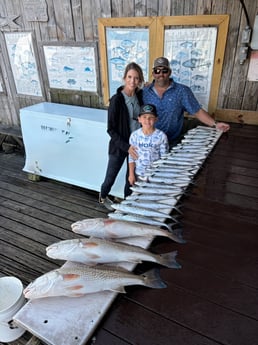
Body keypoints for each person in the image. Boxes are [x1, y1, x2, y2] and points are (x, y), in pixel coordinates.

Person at [143, 56, 230, 147]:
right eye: (157, 71)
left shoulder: (182, 91)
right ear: (153, 73)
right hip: (148, 142)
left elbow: (197, 111)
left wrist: (215, 124)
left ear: (169, 72)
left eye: (164, 70)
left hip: (174, 142)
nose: (161, 74)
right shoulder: (144, 91)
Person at [99, 62, 144, 210]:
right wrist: (126, 146)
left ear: (140, 80)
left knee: (130, 179)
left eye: (136, 78)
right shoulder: (116, 100)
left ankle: (126, 205)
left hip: (136, 146)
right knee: (110, 177)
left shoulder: (140, 95)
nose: (133, 81)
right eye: (130, 77)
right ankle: (103, 197)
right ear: (124, 78)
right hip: (120, 146)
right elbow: (110, 129)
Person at [128, 104, 168, 186]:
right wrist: (131, 174)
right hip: (139, 174)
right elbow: (131, 157)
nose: (147, 120)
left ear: (156, 119)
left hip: (156, 175)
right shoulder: (134, 135)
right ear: (139, 119)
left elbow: (164, 158)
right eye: (144, 117)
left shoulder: (161, 136)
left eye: (151, 117)